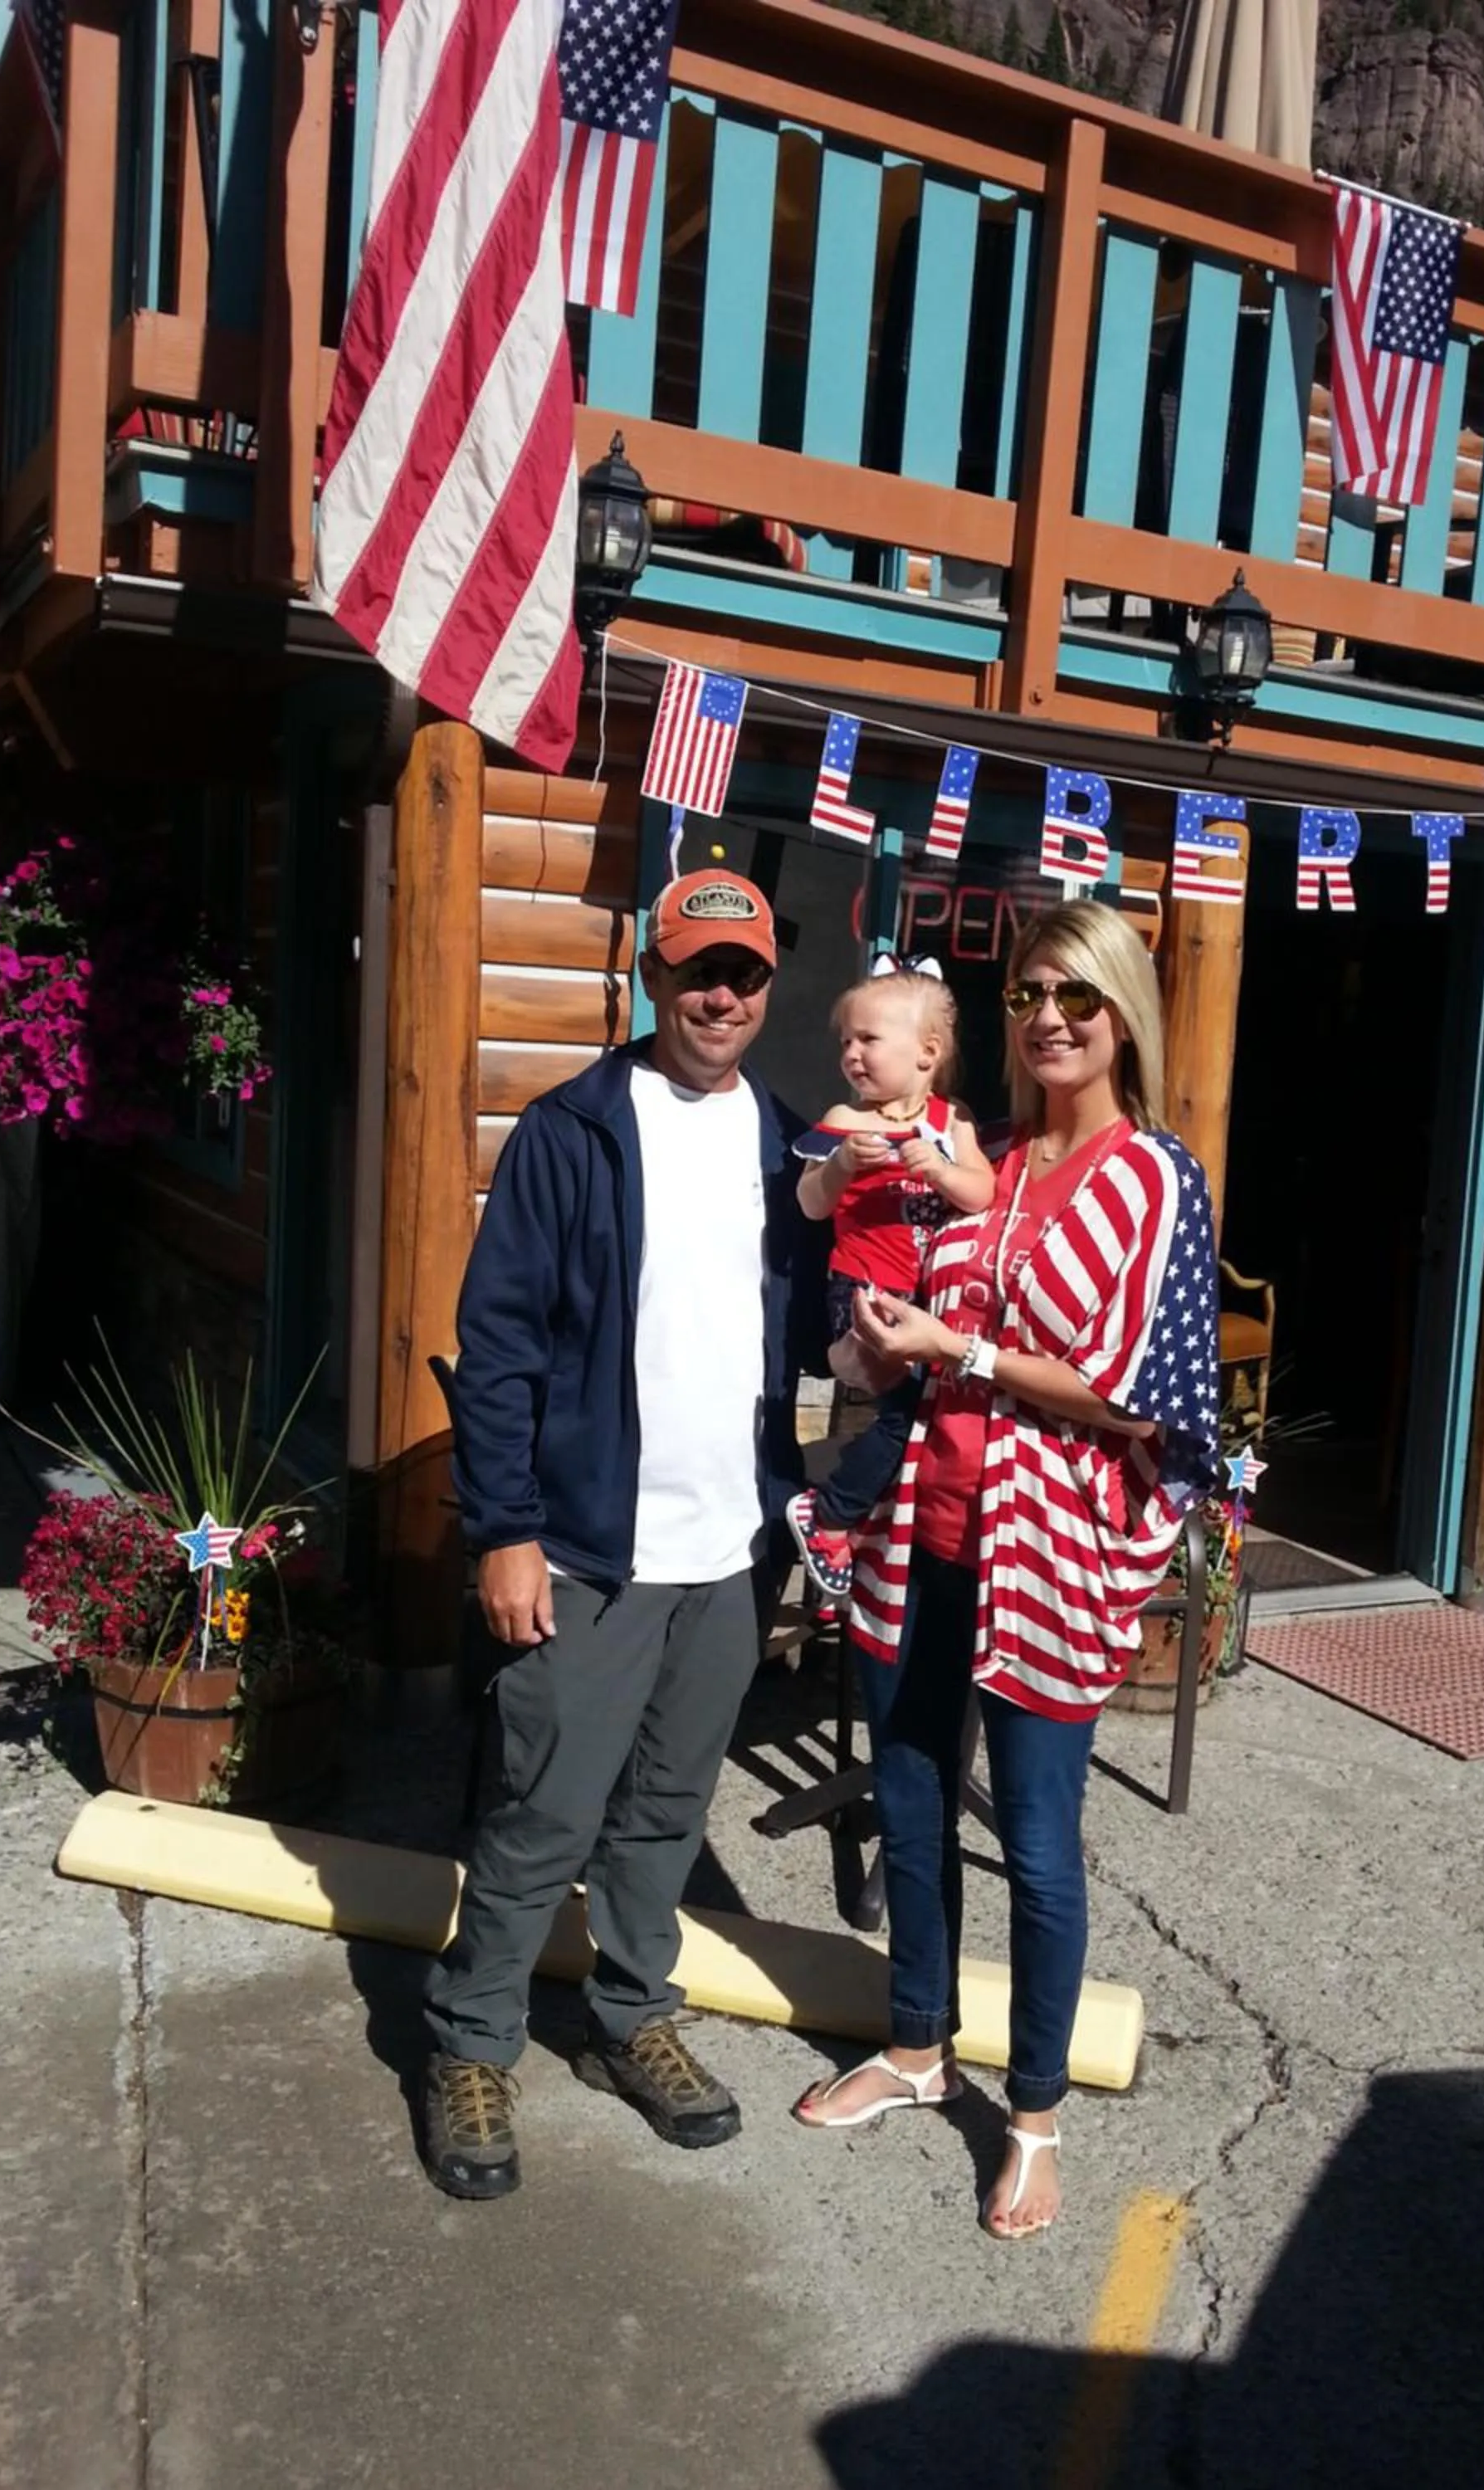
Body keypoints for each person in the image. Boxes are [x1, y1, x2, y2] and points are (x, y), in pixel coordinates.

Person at [790, 901, 1220, 2241]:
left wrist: (957, 1349)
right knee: (911, 1804)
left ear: (1122, 1016)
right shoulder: (994, 1159)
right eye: (1030, 994)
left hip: (1049, 1552)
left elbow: (1132, 1394)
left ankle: (1032, 2118)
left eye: (1075, 997)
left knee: (1036, 1846)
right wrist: (881, 1345)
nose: (1047, 1018)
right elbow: (906, 1305)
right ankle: (918, 2046)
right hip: (926, 1525)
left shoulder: (1150, 1178)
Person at [422, 867, 827, 2202]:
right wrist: (505, 1531)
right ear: (655, 977)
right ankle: (471, 2042)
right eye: (699, 970)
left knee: (664, 1813)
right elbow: (497, 1350)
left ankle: (628, 2017)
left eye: (744, 975)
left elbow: (822, 1333)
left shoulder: (789, 1150)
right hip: (591, 1550)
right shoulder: (573, 1131)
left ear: (768, 988)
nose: (721, 996)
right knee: (543, 1811)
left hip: (730, 1552)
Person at [787, 959, 995, 1598]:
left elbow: (982, 1192)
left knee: (927, 1421)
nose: (851, 1054)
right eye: (846, 1041)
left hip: (931, 1303)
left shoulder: (951, 1121)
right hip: (864, 1292)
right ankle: (829, 1515)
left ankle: (861, 1529)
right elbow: (810, 1204)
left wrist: (940, 1170)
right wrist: (842, 1165)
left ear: (927, 1052)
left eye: (869, 1039)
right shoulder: (848, 1121)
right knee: (906, 1416)